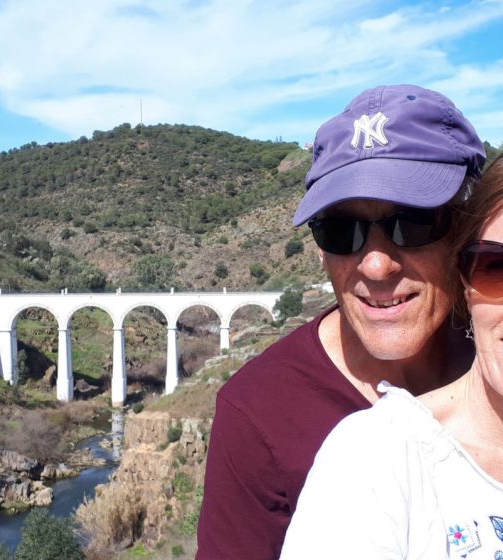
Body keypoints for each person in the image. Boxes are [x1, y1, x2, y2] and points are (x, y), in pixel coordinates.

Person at [195, 84, 486, 559]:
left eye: (414, 222)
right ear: (320, 250)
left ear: (470, 226)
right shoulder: (256, 413)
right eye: (340, 230)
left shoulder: (491, 359)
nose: (376, 266)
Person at [279, 153, 503, 559]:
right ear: (466, 278)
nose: (377, 265)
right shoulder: (373, 459)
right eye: (497, 268)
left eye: (414, 224)